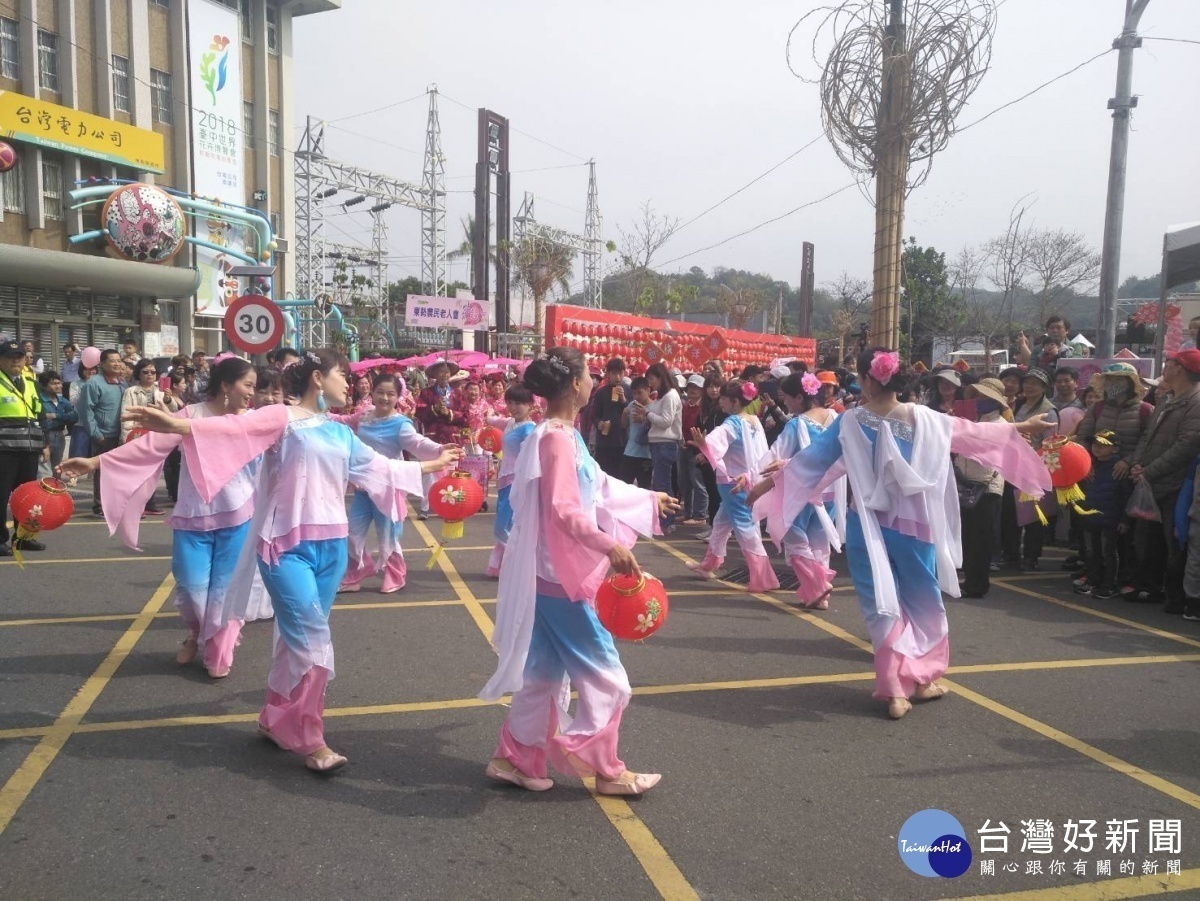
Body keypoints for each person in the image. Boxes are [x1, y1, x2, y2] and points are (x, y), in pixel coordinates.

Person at [116, 349, 460, 772]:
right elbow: (232, 429)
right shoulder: (282, 418)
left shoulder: (339, 432)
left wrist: (431, 465)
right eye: (343, 376)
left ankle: (275, 718)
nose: (350, 385)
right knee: (312, 641)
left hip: (331, 549)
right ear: (318, 378)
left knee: (293, 639)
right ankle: (309, 736)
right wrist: (174, 424)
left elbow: (379, 469)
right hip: (285, 547)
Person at [749, 348, 1051, 719]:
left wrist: (767, 486)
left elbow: (812, 462)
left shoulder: (850, 422)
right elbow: (977, 435)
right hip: (913, 527)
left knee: (881, 606)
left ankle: (896, 691)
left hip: (866, 528)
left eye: (861, 379)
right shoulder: (926, 419)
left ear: (871, 380)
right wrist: (1027, 428)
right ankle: (922, 678)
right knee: (923, 601)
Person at [480, 347, 678, 795]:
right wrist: (609, 546)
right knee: (609, 677)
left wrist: (649, 499)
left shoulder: (562, 433)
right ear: (574, 384)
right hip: (561, 579)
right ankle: (607, 769)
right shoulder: (554, 437)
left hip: (551, 576)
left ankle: (515, 759)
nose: (593, 381)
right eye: (588, 374)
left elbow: (598, 484)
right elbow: (566, 509)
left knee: (543, 676)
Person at [61, 358, 270, 678]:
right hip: (192, 519)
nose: (253, 393)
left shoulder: (253, 420)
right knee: (192, 591)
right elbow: (147, 447)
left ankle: (218, 648)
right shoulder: (191, 415)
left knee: (223, 595)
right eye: (248, 385)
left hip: (238, 520)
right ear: (226, 385)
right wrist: (93, 462)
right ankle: (196, 633)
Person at [335, 373, 451, 594]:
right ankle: (356, 571)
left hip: (389, 489)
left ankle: (395, 575)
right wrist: (315, 415)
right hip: (363, 488)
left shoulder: (401, 424)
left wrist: (440, 450)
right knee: (351, 533)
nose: (384, 398)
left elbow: (419, 443)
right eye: (380, 392)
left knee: (388, 537)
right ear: (372, 392)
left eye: (391, 394)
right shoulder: (364, 415)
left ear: (398, 397)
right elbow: (342, 422)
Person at [756, 371, 842, 607]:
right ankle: (818, 595)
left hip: (802, 492)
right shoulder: (836, 418)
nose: (784, 403)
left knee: (794, 539)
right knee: (819, 541)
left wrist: (751, 478)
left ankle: (818, 584)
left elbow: (775, 455)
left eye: (787, 398)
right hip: (830, 491)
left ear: (799, 398)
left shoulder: (797, 424)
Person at [686, 379, 780, 592]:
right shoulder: (753, 420)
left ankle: (763, 577)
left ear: (735, 401)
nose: (721, 403)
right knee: (720, 526)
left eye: (724, 400)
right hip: (746, 481)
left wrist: (704, 444)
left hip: (734, 484)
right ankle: (708, 565)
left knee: (746, 531)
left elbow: (715, 440)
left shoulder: (732, 423)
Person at [1130, 349, 1200, 613]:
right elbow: (1148, 435)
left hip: (1177, 485)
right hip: (1151, 482)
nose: (1165, 366)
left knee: (1176, 541)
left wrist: (1149, 470)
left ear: (1180, 368)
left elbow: (1186, 446)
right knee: (1149, 540)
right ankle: (1150, 587)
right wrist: (1139, 463)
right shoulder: (1169, 398)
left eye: (1169, 362)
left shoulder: (1196, 401)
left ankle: (1177, 596)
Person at [953, 378, 1011, 598]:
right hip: (964, 482)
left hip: (987, 487)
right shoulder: (968, 420)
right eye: (977, 396)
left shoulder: (1002, 425)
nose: (980, 400)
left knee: (982, 537)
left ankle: (978, 583)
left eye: (985, 397)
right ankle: (969, 579)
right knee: (967, 535)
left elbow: (982, 447)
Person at [1000, 368, 1058, 571]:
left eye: (1036, 383)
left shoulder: (1048, 410)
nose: (1029, 386)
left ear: (1044, 388)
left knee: (1034, 516)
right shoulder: (1018, 406)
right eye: (1027, 382)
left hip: (1035, 468)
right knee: (1011, 513)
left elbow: (1051, 444)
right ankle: (1012, 554)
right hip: (1015, 467)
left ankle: (1031, 556)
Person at [0, 341, 46, 556]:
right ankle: (1, 540)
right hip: (4, 450)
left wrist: (44, 443)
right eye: (11, 356)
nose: (16, 360)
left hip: (29, 449)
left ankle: (24, 537)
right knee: (1, 496)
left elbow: (40, 413)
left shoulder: (30, 382)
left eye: (20, 356)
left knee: (27, 496)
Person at [485, 385, 536, 578]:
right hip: (504, 479)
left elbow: (529, 458)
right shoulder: (510, 423)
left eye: (519, 403)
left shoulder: (529, 429)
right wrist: (488, 412)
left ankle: (519, 562)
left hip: (516, 480)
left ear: (530, 405)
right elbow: (492, 419)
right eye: (510, 403)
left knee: (503, 525)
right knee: (507, 523)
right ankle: (502, 565)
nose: (514, 407)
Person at [1074, 430, 1130, 600]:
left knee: (1109, 553)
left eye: (1103, 445)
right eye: (1095, 444)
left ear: (1114, 449)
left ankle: (1109, 584)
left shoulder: (1119, 468)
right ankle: (1093, 581)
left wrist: (1124, 519)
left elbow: (1125, 496)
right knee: (1091, 552)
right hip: (1090, 516)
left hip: (1110, 519)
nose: (1097, 448)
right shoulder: (1089, 465)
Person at [80, 349, 126, 517]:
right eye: (112, 361)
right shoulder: (93, 383)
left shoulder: (122, 383)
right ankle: (100, 506)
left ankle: (115, 504)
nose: (117, 363)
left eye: (119, 360)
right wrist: (96, 434)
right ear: (102, 363)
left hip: (120, 436)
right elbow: (86, 411)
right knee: (102, 472)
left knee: (117, 473)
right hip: (103, 436)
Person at [644, 362, 682, 532]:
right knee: (660, 483)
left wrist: (647, 414)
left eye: (652, 379)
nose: (650, 383)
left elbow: (666, 421)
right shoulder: (660, 396)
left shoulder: (671, 396)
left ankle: (668, 521)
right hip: (657, 443)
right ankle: (663, 520)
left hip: (665, 443)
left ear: (660, 378)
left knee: (663, 484)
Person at [696, 374, 726, 539]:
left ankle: (719, 530)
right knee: (712, 491)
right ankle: (712, 525)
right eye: (710, 386)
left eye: (717, 386)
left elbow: (719, 437)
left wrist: (707, 453)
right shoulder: (706, 409)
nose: (714, 390)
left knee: (717, 493)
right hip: (705, 456)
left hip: (716, 458)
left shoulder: (722, 411)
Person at [677, 374, 709, 524]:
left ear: (703, 390)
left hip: (696, 449)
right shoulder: (685, 406)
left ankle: (700, 515)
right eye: (690, 387)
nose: (692, 390)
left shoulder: (704, 409)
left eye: (696, 388)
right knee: (684, 482)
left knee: (698, 482)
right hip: (683, 447)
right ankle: (688, 513)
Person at [590, 358, 629, 480]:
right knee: (604, 476)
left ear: (624, 373)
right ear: (608, 374)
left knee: (621, 477)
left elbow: (632, 411)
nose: (617, 377)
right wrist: (598, 424)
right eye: (614, 373)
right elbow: (594, 415)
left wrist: (623, 399)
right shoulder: (601, 392)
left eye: (620, 373)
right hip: (604, 442)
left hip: (622, 441)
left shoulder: (628, 390)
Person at [37, 371, 76, 476]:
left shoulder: (63, 401)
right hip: (44, 436)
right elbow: (41, 420)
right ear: (43, 385)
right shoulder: (39, 401)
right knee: (43, 471)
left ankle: (56, 490)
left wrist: (56, 416)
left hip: (59, 435)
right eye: (54, 383)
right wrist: (62, 417)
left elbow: (74, 416)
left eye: (59, 383)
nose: (58, 386)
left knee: (57, 468)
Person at [619, 377, 653, 488]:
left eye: (640, 393)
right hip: (629, 452)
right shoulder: (632, 405)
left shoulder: (654, 407)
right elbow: (624, 426)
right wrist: (624, 414)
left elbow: (660, 427)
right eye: (634, 393)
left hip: (646, 455)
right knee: (624, 486)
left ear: (648, 390)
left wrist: (645, 419)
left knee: (645, 488)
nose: (636, 396)